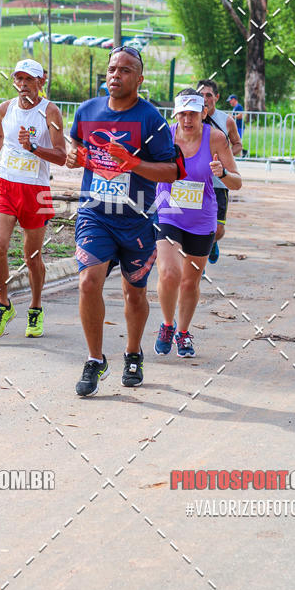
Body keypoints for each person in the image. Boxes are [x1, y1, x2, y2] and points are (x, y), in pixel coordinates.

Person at [66, 45, 183, 397]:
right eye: (112, 69)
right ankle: (93, 359)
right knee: (88, 282)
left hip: (137, 219)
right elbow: (75, 144)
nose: (116, 75)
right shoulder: (88, 111)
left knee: (134, 293)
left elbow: (173, 171)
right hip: (95, 212)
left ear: (140, 78)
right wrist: (73, 154)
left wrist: (133, 164)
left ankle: (133, 352)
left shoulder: (152, 120)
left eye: (126, 70)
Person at [0, 59, 66, 339]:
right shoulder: (5, 108)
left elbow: (62, 156)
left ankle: (35, 306)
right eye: (19, 79)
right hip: (4, 184)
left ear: (42, 82)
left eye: (29, 79)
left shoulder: (50, 111)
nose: (23, 85)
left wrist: (34, 148)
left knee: (32, 257)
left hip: (35, 191)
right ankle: (4, 304)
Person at [155, 90, 242, 358]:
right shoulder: (164, 135)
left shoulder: (215, 138)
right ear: (176, 114)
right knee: (170, 273)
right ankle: (167, 325)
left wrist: (223, 173)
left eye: (192, 113)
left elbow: (236, 182)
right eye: (182, 113)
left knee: (190, 283)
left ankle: (183, 332)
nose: (187, 119)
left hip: (202, 220)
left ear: (203, 113)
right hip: (168, 213)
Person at [196, 79, 242, 265]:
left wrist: (226, 157)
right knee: (194, 223)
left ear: (217, 97)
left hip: (219, 180)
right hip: (196, 179)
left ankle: (212, 243)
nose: (205, 99)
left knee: (218, 230)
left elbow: (238, 144)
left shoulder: (226, 120)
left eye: (208, 95)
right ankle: (199, 260)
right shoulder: (192, 117)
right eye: (201, 95)